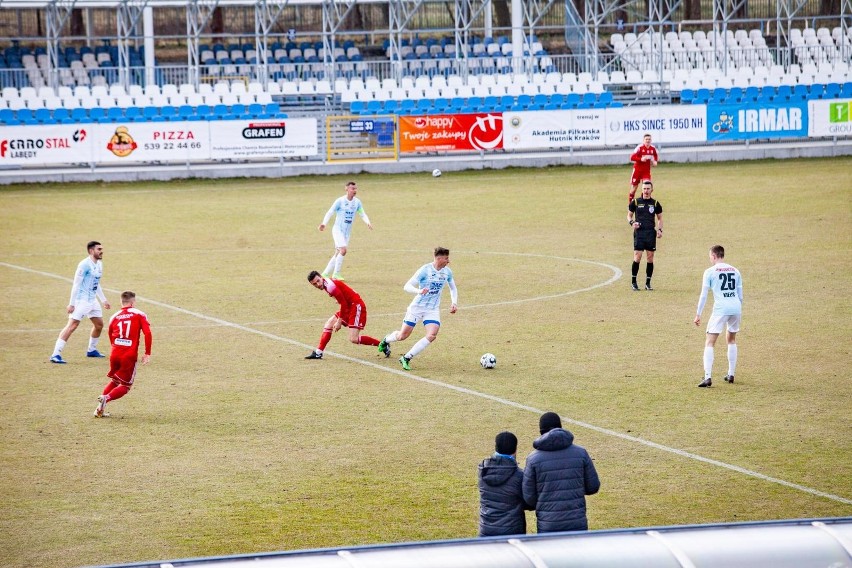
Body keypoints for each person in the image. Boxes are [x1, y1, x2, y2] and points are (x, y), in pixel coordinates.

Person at [377, 247, 458, 371]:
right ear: (439, 258)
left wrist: (454, 302)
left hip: (432, 309)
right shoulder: (425, 270)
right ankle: (386, 340)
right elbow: (407, 286)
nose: (448, 261)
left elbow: (453, 288)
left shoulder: (447, 272)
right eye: (446, 258)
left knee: (432, 334)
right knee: (402, 336)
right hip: (417, 308)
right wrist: (419, 291)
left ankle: (406, 358)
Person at [522, 412, 600, 533]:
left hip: (548, 525)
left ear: (541, 432)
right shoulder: (580, 453)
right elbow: (593, 486)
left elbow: (529, 498)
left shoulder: (533, 459)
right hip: (577, 522)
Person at [50, 240, 111, 364]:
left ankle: (91, 350)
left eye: (101, 249)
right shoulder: (84, 265)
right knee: (72, 325)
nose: (101, 251)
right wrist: (71, 303)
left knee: (99, 325)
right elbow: (76, 285)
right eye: (99, 249)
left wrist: (103, 299)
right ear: (91, 251)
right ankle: (55, 354)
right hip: (81, 301)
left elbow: (96, 283)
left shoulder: (99, 264)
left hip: (92, 300)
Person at [94, 290, 152, 417]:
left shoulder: (114, 316)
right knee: (125, 385)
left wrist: (116, 348)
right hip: (128, 355)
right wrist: (147, 353)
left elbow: (110, 335)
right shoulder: (139, 314)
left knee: (115, 381)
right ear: (133, 302)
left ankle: (99, 409)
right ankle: (106, 398)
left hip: (115, 353)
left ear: (121, 301)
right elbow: (147, 333)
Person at [694, 245, 744, 387]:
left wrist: (698, 314)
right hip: (736, 307)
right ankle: (731, 373)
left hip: (721, 309)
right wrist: (738, 309)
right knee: (731, 339)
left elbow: (704, 295)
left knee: (710, 341)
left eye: (710, 256)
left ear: (714, 256)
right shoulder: (735, 270)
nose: (710, 259)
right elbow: (740, 295)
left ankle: (708, 377)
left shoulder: (709, 272)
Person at [304, 270, 383, 359]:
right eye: (314, 284)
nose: (317, 284)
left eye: (318, 281)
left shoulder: (330, 286)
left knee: (354, 339)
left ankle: (382, 344)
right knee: (329, 324)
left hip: (356, 306)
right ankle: (318, 352)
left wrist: (339, 321)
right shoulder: (326, 284)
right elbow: (343, 300)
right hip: (348, 307)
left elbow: (343, 303)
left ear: (321, 277)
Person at [478, 431, 529, 537]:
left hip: (486, 529)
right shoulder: (519, 475)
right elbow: (529, 502)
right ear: (515, 450)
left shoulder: (483, 470)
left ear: (496, 447)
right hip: (512, 532)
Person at [318, 180, 372, 280]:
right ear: (346, 189)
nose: (354, 190)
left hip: (347, 233)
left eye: (356, 188)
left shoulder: (357, 202)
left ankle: (325, 273)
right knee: (343, 250)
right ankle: (336, 274)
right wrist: (324, 223)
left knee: (338, 253)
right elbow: (330, 212)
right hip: (338, 230)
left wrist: (367, 222)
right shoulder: (340, 201)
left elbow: (362, 213)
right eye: (352, 188)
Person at [628, 180, 663, 291]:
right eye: (644, 189)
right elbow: (629, 216)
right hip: (639, 233)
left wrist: (660, 230)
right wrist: (632, 223)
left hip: (650, 233)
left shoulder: (655, 203)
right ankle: (633, 282)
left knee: (650, 258)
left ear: (651, 190)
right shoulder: (635, 202)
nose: (646, 191)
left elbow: (660, 218)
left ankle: (648, 283)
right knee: (637, 257)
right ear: (641, 189)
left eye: (648, 189)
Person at [628, 133, 659, 201]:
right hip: (637, 170)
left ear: (651, 140)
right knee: (634, 188)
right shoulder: (639, 148)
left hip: (646, 171)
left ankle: (644, 204)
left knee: (646, 187)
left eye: (649, 139)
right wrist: (640, 159)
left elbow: (655, 156)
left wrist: (655, 161)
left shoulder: (653, 149)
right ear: (643, 140)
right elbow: (632, 157)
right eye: (646, 139)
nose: (648, 141)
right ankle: (630, 205)